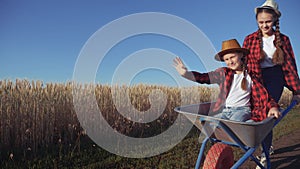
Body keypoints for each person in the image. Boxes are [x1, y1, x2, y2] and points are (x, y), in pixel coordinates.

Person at [242, 0, 300, 167]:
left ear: (275, 20)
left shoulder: (283, 40)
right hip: (256, 77)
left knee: (267, 111)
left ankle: (264, 153)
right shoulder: (249, 39)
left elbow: (290, 66)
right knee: (256, 110)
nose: (264, 25)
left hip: (275, 77)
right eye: (261, 22)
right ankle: (264, 144)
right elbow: (244, 62)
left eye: (268, 21)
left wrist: (296, 90)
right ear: (257, 21)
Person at [173, 39, 281, 123]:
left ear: (241, 55)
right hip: (225, 110)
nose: (230, 61)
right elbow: (204, 77)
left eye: (232, 57)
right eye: (226, 59)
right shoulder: (224, 73)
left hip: (242, 110)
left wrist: (273, 107)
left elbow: (264, 96)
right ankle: (221, 148)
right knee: (210, 124)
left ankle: (249, 125)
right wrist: (186, 74)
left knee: (234, 124)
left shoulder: (251, 76)